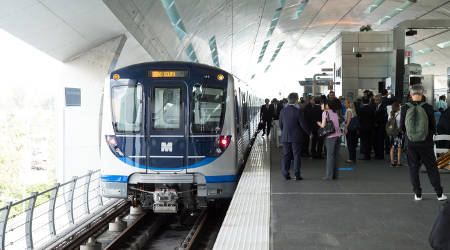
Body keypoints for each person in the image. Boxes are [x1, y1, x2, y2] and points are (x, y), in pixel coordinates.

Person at [400, 84, 447, 201]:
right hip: (426, 143)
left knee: (413, 168)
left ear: (411, 94)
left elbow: (402, 127)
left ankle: (418, 194)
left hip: (410, 143)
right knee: (431, 167)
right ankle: (439, 194)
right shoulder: (428, 107)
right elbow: (432, 126)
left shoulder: (405, 108)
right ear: (422, 94)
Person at [279, 93, 311, 180]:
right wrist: (309, 133)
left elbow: (280, 125)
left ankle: (285, 174)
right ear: (296, 101)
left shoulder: (283, 111)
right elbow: (303, 125)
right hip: (296, 137)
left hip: (285, 137)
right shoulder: (298, 111)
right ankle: (297, 175)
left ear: (288, 100)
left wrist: (285, 132)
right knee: (296, 155)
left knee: (286, 155)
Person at [318, 99, 343, 180]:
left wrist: (318, 123)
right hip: (338, 135)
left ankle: (329, 176)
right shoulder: (335, 112)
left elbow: (323, 126)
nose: (321, 106)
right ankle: (335, 175)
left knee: (330, 156)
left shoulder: (325, 113)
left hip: (331, 137)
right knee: (335, 156)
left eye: (322, 104)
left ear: (327, 105)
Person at [386, 102, 402, 167]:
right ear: (398, 107)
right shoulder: (400, 114)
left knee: (392, 147)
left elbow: (388, 122)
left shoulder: (390, 114)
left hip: (391, 133)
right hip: (398, 133)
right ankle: (398, 162)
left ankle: (392, 162)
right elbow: (401, 124)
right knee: (399, 147)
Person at [373, 94, 388, 159]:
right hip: (375, 127)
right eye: (375, 100)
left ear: (379, 100)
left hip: (381, 127)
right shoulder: (375, 106)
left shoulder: (383, 107)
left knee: (380, 141)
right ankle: (376, 154)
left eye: (376, 100)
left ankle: (380, 155)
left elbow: (384, 117)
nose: (375, 101)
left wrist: (377, 122)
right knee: (375, 141)